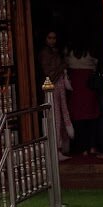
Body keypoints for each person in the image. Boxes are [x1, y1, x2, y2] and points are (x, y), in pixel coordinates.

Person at [39, 30, 74, 159]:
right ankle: (56, 148)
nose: (52, 40)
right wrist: (62, 66)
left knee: (62, 115)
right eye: (50, 38)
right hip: (51, 88)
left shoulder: (56, 52)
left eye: (54, 38)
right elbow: (48, 73)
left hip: (59, 87)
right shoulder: (45, 54)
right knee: (55, 117)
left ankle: (61, 148)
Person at [65, 35, 101, 156]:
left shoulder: (69, 53)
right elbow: (96, 64)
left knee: (78, 121)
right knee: (91, 120)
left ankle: (82, 148)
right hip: (89, 88)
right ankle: (92, 146)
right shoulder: (90, 53)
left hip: (75, 89)